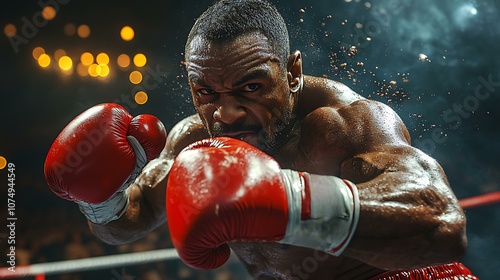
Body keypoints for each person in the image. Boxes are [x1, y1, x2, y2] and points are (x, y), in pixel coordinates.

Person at [44, 0, 478, 279]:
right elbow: (125, 224)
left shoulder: (345, 122)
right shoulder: (195, 140)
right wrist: (99, 198)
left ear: (291, 73)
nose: (226, 113)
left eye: (250, 88)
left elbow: (441, 221)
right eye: (206, 94)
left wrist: (285, 201)